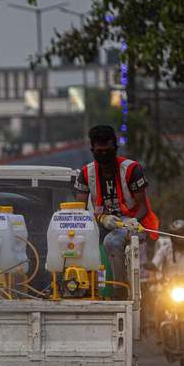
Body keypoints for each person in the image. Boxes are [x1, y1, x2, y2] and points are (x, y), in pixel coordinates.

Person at [74, 125, 159, 295]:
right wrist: (101, 218)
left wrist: (133, 221)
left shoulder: (131, 169)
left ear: (115, 148)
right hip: (101, 223)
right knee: (74, 241)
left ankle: (119, 290)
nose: (104, 155)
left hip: (134, 224)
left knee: (112, 241)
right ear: (92, 150)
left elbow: (143, 207)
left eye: (108, 151)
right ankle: (80, 287)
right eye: (99, 151)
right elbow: (80, 212)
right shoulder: (86, 173)